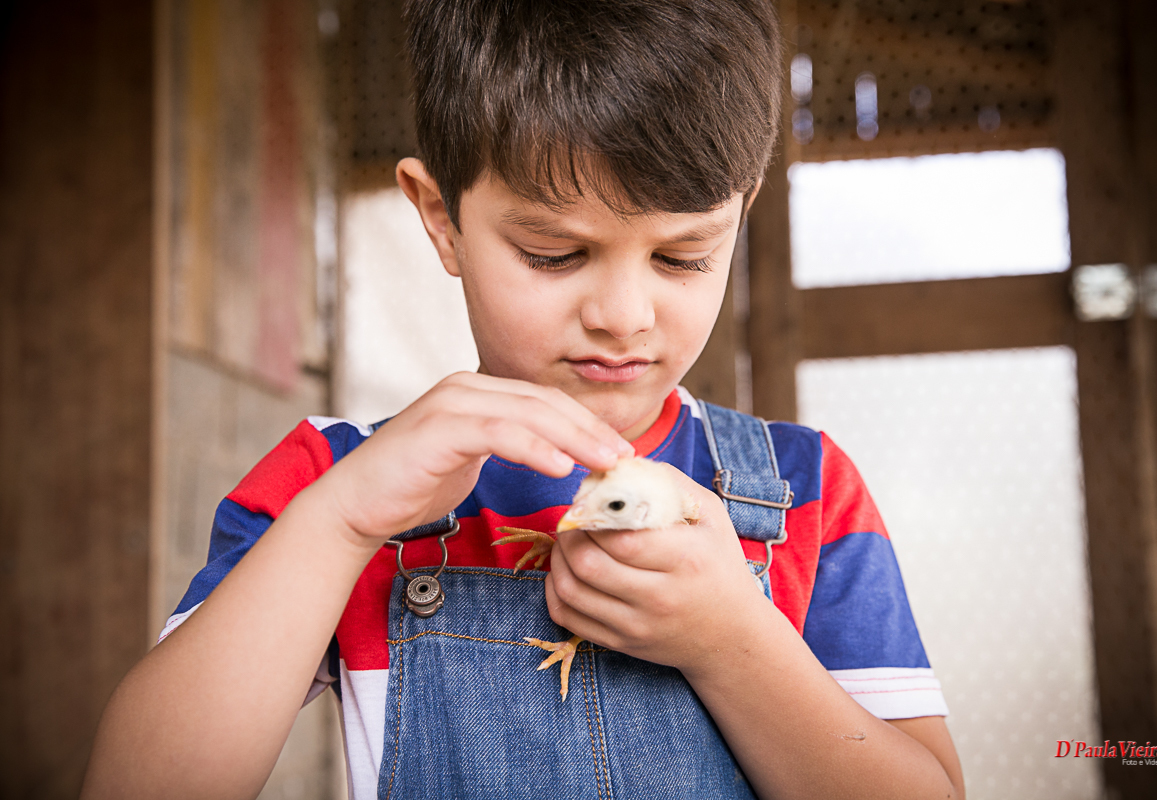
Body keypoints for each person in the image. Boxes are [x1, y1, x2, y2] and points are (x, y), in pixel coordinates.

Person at [83, 1, 965, 798]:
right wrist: (343, 524)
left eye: (684, 256)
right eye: (553, 253)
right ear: (440, 219)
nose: (623, 317)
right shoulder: (334, 481)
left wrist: (732, 639)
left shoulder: (805, 491)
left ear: (741, 215)